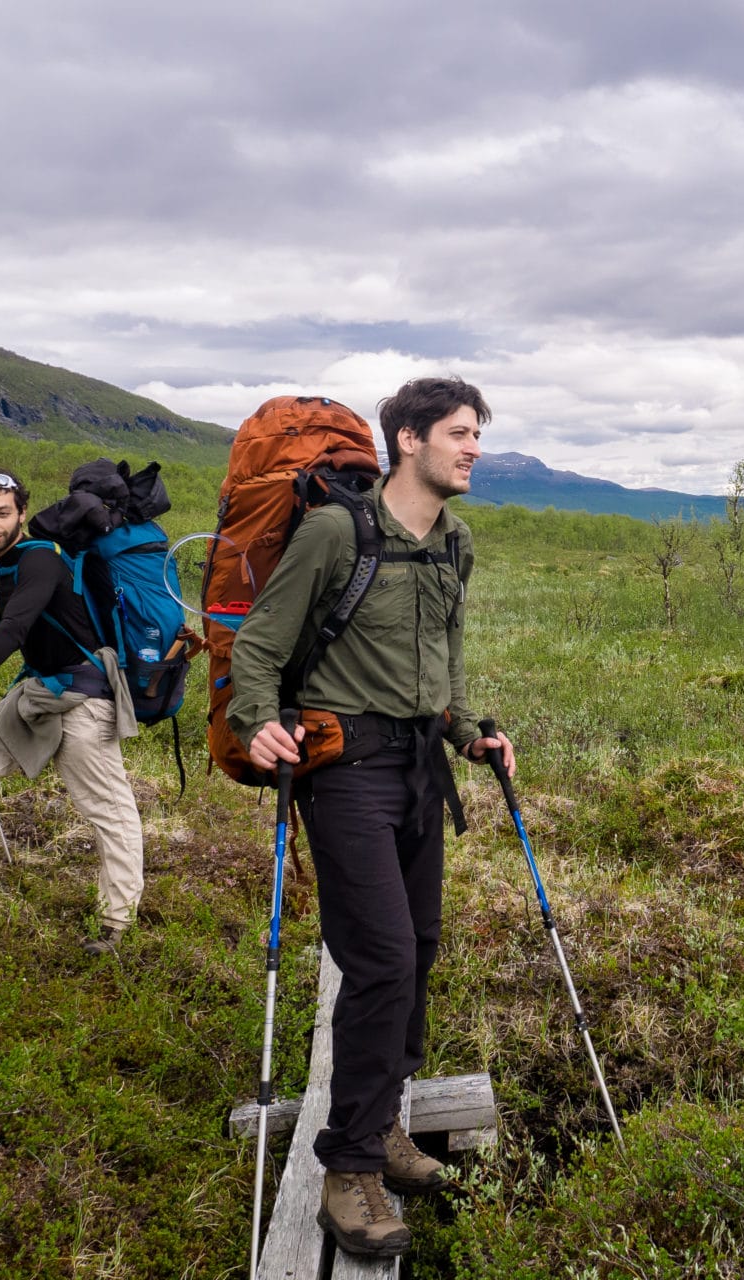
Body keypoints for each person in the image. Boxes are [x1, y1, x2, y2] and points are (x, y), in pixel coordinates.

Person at [227, 376, 514, 1259]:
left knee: (418, 949)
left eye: (478, 436)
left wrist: (470, 732)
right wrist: (255, 720)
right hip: (344, 769)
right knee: (383, 958)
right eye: (458, 434)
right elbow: (261, 646)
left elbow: (447, 653)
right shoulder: (333, 533)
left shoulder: (453, 543)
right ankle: (349, 1171)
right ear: (407, 439)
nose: (473, 449)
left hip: (422, 767)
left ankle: (385, 1120)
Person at [0, 468, 145, 956]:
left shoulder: (40, 557)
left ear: (21, 512)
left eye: (1, 513)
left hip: (84, 695)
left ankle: (116, 923)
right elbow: (9, 614)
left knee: (107, 809)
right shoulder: (4, 566)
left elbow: (14, 628)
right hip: (39, 690)